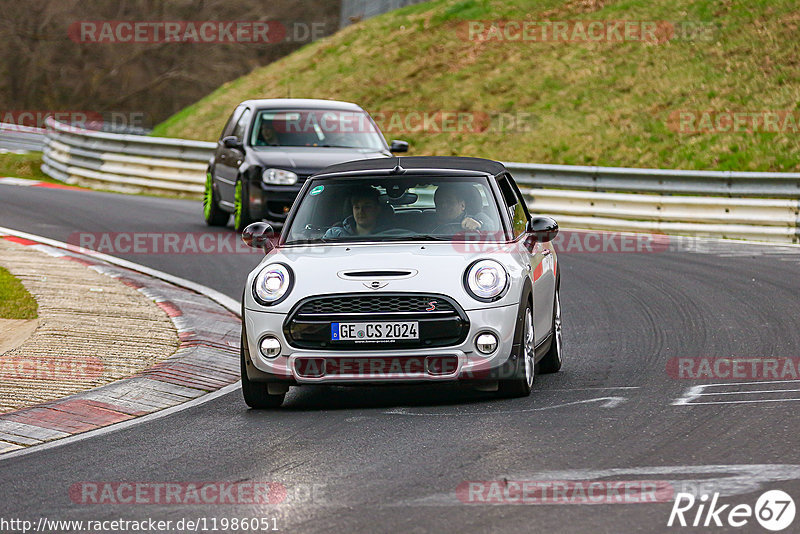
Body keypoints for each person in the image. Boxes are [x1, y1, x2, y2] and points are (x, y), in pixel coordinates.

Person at [324, 186, 391, 238]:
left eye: (367, 207)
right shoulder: (334, 235)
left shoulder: (392, 235)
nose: (361, 211)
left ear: (377, 209)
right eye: (357, 207)